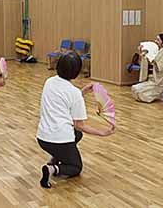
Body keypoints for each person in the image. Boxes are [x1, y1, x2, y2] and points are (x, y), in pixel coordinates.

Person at [37, 52, 115, 189]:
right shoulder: (73, 93)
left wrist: (82, 92)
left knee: (76, 135)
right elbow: (80, 125)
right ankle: (52, 169)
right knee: (76, 167)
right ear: (76, 72)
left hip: (42, 138)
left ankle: (55, 158)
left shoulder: (49, 82)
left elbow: (64, 97)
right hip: (59, 140)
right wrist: (102, 132)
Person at [132, 33, 163, 103]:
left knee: (144, 96)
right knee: (135, 89)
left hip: (158, 81)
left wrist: (154, 60)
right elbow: (142, 64)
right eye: (156, 39)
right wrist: (142, 53)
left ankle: (161, 93)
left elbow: (161, 67)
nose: (155, 41)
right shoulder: (152, 51)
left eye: (158, 40)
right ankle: (158, 94)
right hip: (149, 79)